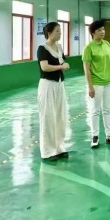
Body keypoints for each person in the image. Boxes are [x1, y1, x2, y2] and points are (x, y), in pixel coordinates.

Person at [82, 20, 110, 148]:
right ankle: (95, 136)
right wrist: (90, 86)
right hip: (96, 83)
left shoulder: (107, 44)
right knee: (95, 111)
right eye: (99, 30)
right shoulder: (88, 48)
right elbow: (86, 68)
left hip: (109, 82)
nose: (102, 32)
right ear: (93, 33)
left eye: (103, 29)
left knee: (107, 109)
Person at [37, 22, 71, 161]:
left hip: (59, 84)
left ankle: (59, 147)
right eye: (57, 31)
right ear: (49, 33)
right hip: (47, 85)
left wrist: (63, 65)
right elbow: (44, 67)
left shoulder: (59, 47)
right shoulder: (42, 48)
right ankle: (47, 151)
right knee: (48, 117)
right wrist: (61, 67)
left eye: (60, 31)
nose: (60, 34)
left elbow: (62, 62)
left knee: (60, 116)